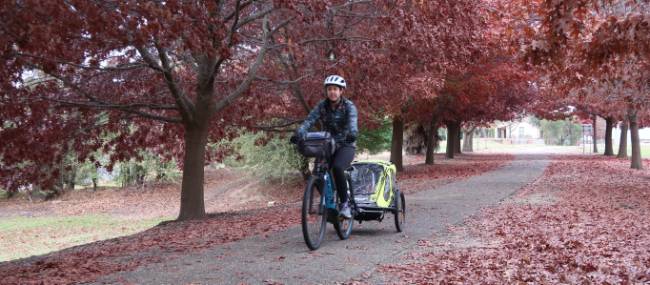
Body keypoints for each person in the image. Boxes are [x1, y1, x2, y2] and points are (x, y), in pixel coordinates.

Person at [292, 75, 358, 219]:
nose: (332, 92)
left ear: (341, 91)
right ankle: (329, 202)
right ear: (326, 91)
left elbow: (353, 122)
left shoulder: (349, 106)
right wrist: (299, 133)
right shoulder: (322, 106)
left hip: (346, 145)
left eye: (335, 89)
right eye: (329, 89)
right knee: (317, 172)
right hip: (327, 145)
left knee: (338, 168)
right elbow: (309, 121)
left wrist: (352, 133)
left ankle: (345, 204)